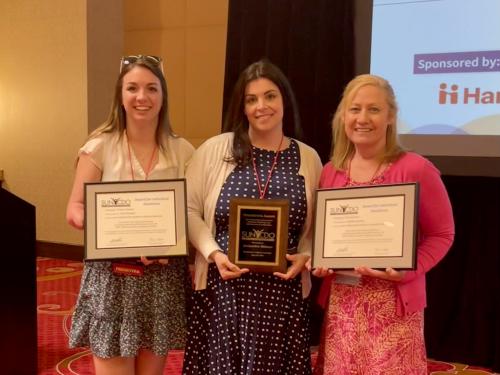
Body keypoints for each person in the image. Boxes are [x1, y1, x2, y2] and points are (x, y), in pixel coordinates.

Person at [181, 59, 323, 374]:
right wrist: (213, 253)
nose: (262, 106)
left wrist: (307, 255)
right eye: (251, 99)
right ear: (242, 107)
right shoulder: (215, 150)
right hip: (224, 290)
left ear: (284, 100)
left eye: (270, 96)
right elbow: (188, 210)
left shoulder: (308, 158)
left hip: (281, 296)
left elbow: (318, 226)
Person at [312, 74, 455, 374]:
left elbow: (442, 234)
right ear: (343, 116)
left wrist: (409, 269)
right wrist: (320, 261)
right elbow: (324, 237)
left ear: (391, 116)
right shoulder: (330, 172)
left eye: (374, 109)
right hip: (343, 311)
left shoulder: (416, 168)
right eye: (355, 109)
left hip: (394, 312)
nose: (362, 118)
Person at [66, 55, 194, 375]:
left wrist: (170, 244)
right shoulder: (100, 147)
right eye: (132, 88)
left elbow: (192, 213)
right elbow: (75, 209)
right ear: (120, 96)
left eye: (152, 88)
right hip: (113, 280)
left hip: (160, 282)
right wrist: (109, 232)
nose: (142, 97)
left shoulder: (183, 152)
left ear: (163, 97)